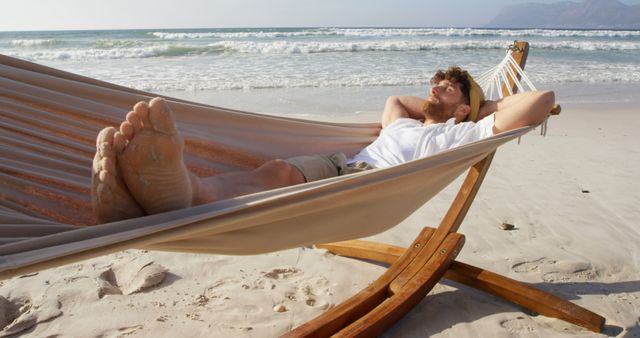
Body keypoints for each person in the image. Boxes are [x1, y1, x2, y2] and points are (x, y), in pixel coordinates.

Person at [91, 67, 555, 223]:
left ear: (464, 110)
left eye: (447, 88)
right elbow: (395, 99)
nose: (434, 88)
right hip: (342, 164)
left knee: (279, 177)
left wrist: (478, 108)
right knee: (278, 170)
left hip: (369, 182)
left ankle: (180, 195)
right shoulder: (399, 121)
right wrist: (445, 101)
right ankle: (174, 194)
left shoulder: (460, 134)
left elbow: (540, 101)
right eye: (433, 82)